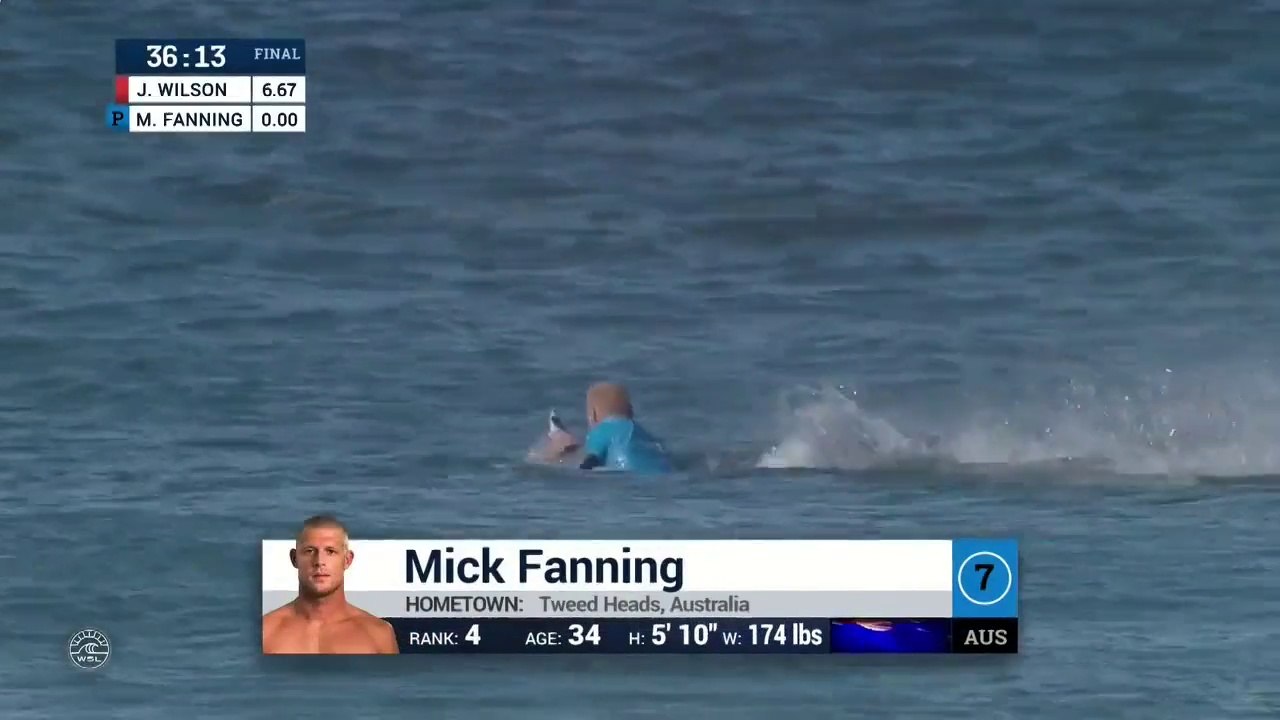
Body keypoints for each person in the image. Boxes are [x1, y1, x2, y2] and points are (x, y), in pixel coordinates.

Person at [262, 515, 399, 654]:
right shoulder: (265, 630)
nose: (319, 561)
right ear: (294, 558)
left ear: (347, 560)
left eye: (330, 552)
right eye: (309, 551)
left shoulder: (379, 634)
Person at [544, 382, 672, 473]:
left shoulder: (602, 431)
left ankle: (560, 441)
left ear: (593, 415)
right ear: (631, 412)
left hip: (626, 478)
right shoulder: (649, 437)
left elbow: (589, 463)